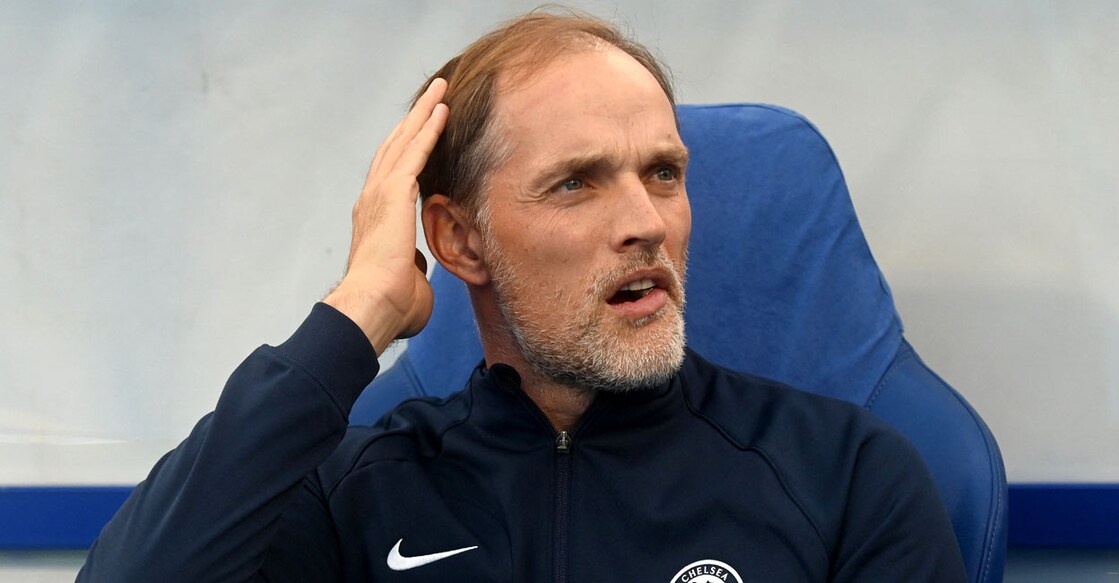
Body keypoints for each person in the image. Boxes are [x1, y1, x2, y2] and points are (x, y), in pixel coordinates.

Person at [79, 10, 966, 582]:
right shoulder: (356, 489)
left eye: (662, 172)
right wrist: (357, 313)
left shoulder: (846, 471)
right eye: (577, 182)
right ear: (461, 239)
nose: (644, 222)